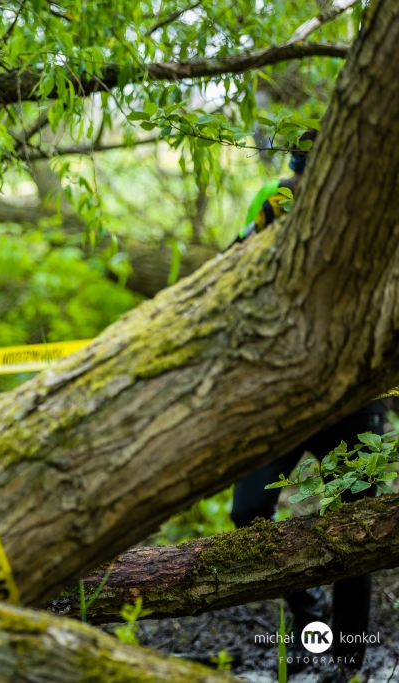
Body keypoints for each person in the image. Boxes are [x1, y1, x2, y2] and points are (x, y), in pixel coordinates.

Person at [233, 131, 383, 682]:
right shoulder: (273, 199)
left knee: (355, 530)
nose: (304, 188)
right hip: (283, 393)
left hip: (354, 397)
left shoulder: (373, 210)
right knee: (248, 510)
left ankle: (347, 662)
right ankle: (308, 613)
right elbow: (231, 269)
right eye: (299, 178)